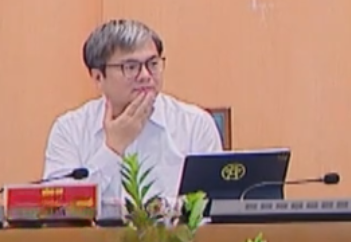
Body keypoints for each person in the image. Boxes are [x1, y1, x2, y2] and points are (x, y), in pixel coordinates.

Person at [43, 19, 224, 205]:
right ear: (98, 77)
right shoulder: (69, 130)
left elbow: (215, 205)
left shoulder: (195, 125)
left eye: (153, 64)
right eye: (131, 67)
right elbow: (58, 208)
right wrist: (112, 149)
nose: (145, 75)